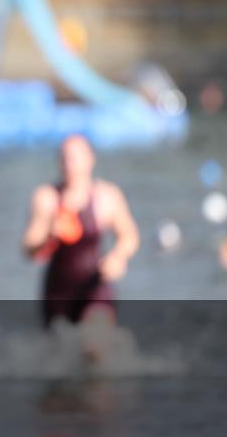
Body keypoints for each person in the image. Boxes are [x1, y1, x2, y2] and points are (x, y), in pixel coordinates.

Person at [21, 134, 139, 360]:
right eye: (64, 158)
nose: (69, 164)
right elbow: (28, 248)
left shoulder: (107, 196)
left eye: (74, 158)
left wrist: (119, 256)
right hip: (58, 292)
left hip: (95, 286)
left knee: (93, 349)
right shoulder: (47, 198)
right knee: (60, 364)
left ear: (90, 159)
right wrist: (48, 236)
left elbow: (129, 235)